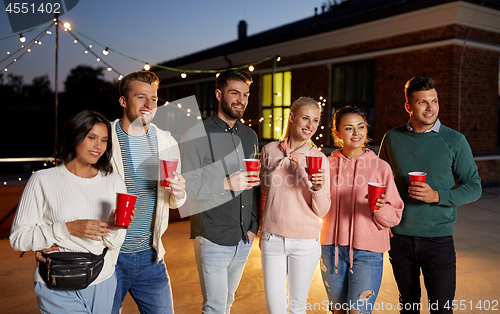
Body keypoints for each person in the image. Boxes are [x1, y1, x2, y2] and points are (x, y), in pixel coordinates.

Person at [379, 77, 482, 313]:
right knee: (408, 306)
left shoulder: (455, 140)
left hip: (438, 240)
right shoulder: (392, 138)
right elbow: (381, 183)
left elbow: (474, 186)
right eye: (422, 102)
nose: (430, 108)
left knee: (442, 309)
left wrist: (438, 196)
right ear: (408, 107)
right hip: (400, 239)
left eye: (434, 101)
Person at [10, 110, 128, 313]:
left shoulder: (113, 180)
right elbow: (18, 239)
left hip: (103, 279)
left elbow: (115, 243)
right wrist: (68, 229)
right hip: (56, 282)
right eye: (91, 137)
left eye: (104, 140)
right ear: (75, 136)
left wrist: (114, 226)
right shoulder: (42, 179)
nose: (98, 146)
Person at [180, 69, 260, 314]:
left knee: (226, 303)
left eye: (245, 94)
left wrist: (253, 227)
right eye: (234, 93)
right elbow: (187, 189)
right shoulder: (196, 135)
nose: (241, 100)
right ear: (218, 94)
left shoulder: (250, 135)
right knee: (214, 307)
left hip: (243, 237)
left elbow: (254, 186)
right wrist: (226, 183)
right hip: (212, 236)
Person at [110, 71, 187, 314]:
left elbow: (174, 203)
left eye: (153, 99)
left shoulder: (166, 142)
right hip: (110, 256)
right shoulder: (104, 140)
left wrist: (180, 191)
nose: (149, 105)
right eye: (140, 97)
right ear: (123, 101)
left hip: (151, 256)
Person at [320, 106, 404, 314]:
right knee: (338, 311)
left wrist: (380, 208)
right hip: (331, 249)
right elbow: (316, 207)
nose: (356, 133)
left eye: (361, 126)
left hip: (368, 251)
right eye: (349, 128)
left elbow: (395, 215)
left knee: (359, 312)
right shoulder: (326, 165)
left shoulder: (381, 167)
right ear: (337, 133)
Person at [259, 96, 331, 313]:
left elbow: (322, 209)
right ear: (292, 117)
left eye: (316, 120)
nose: (311, 125)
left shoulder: (319, 158)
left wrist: (317, 189)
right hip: (272, 239)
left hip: (306, 242)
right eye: (305, 118)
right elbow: (263, 194)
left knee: (297, 306)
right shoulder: (270, 151)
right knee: (275, 308)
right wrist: (262, 230)